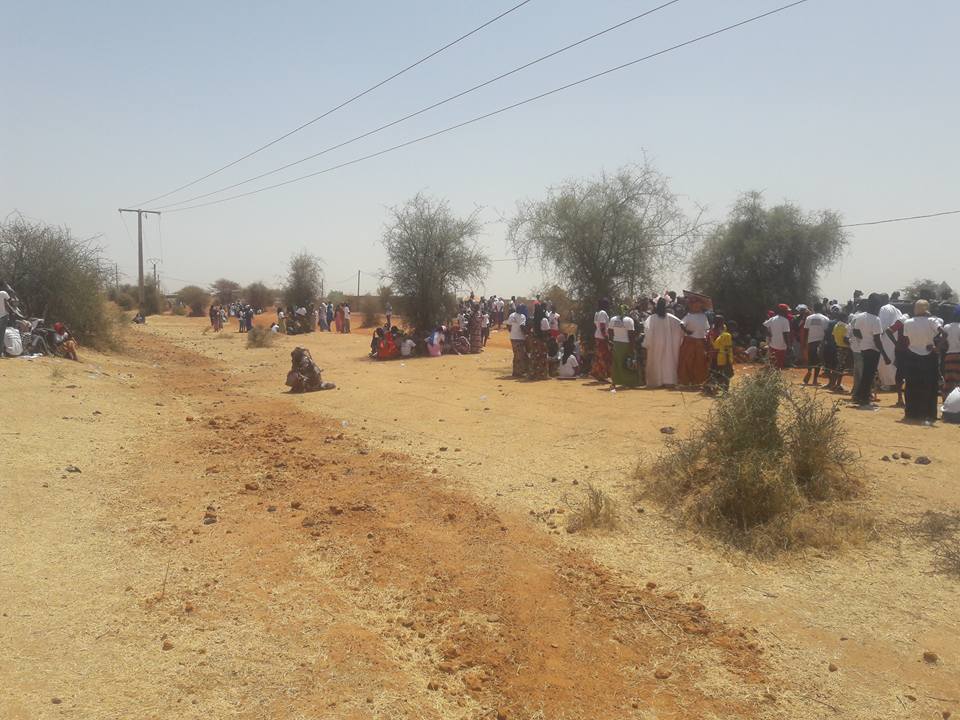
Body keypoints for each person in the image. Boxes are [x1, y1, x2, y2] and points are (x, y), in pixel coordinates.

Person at [901, 299, 943, 423]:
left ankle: (911, 413)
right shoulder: (932, 321)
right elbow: (944, 333)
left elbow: (907, 339)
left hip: (912, 356)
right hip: (929, 355)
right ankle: (929, 413)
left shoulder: (908, 322)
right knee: (929, 385)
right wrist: (937, 348)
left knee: (911, 385)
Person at [851, 294, 890, 408]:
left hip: (863, 348)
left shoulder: (861, 316)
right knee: (869, 375)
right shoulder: (876, 319)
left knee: (866, 375)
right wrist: (885, 355)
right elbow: (877, 340)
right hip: (873, 350)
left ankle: (859, 396)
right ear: (876, 305)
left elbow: (855, 331)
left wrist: (863, 339)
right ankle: (863, 398)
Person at [643, 297, 683, 388]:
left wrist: (646, 343)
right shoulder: (671, 317)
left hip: (655, 344)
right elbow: (681, 325)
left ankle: (656, 381)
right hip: (668, 344)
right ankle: (668, 380)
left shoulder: (651, 318)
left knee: (656, 361)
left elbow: (647, 331)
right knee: (667, 361)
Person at [678, 298, 710, 386]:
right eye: (694, 304)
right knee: (687, 361)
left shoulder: (704, 316)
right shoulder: (688, 316)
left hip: (701, 341)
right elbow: (681, 324)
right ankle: (686, 381)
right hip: (689, 341)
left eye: (699, 305)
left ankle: (698, 381)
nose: (696, 306)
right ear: (691, 306)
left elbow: (707, 328)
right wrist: (687, 331)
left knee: (700, 362)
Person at [608, 304, 638, 388]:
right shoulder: (629, 320)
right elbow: (631, 335)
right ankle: (627, 382)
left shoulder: (613, 319)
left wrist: (611, 342)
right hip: (626, 344)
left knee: (616, 363)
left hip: (616, 343)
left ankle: (615, 381)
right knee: (626, 363)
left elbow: (610, 332)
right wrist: (632, 348)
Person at [877, 294, 903, 389]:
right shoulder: (897, 310)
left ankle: (887, 384)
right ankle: (895, 382)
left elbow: (882, 326)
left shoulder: (883, 308)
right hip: (896, 337)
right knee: (893, 360)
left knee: (884, 361)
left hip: (886, 337)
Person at [801, 303, 830, 385]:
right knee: (818, 361)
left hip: (810, 342)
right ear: (822, 309)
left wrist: (804, 342)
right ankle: (815, 380)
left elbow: (806, 331)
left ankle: (809, 372)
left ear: (813, 308)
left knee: (811, 359)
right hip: (820, 342)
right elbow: (826, 332)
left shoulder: (809, 318)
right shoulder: (825, 319)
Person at [763, 305, 792, 369]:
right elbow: (785, 334)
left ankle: (772, 377)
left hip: (772, 345)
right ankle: (777, 377)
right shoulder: (785, 321)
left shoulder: (773, 318)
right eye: (786, 311)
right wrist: (788, 346)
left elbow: (764, 325)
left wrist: (768, 333)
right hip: (781, 346)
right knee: (779, 365)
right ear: (783, 311)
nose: (787, 312)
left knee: (772, 364)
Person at [710, 316, 734, 391]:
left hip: (719, 357)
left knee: (715, 372)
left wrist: (711, 340)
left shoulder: (719, 336)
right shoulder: (728, 335)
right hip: (728, 357)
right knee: (726, 373)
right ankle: (725, 389)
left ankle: (714, 387)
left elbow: (715, 346)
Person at [526, 306, 550, 380]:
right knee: (542, 357)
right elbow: (547, 331)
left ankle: (533, 374)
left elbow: (529, 330)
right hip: (542, 341)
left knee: (534, 357)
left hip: (534, 341)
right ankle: (542, 375)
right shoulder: (544, 320)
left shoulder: (533, 320)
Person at [591, 298, 612, 382]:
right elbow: (602, 326)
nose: (608, 306)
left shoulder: (597, 313)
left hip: (597, 335)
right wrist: (606, 337)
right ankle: (602, 375)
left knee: (599, 356)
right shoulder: (603, 313)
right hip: (602, 337)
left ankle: (598, 373)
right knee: (604, 357)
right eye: (607, 304)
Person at [942, 306, 960, 399]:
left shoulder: (947, 327)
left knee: (949, 382)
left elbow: (944, 343)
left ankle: (946, 405)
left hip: (949, 356)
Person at [506, 305, 527, 377]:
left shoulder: (512, 315)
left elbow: (508, 325)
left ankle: (515, 371)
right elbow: (522, 327)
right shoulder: (522, 316)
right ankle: (519, 372)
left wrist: (512, 332)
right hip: (520, 338)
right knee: (520, 355)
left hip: (513, 338)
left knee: (516, 355)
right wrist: (526, 334)